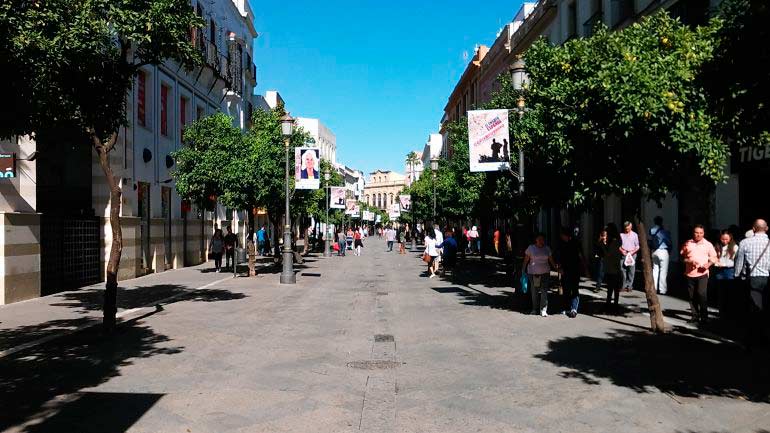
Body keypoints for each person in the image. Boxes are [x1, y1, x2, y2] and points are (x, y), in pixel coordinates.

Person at [734, 219, 770, 351]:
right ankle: (764, 337)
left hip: (753, 279)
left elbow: (739, 263)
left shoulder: (745, 242)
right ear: (766, 229)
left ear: (754, 229)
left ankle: (751, 340)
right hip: (767, 278)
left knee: (754, 310)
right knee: (765, 310)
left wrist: (737, 276)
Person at [680, 224, 717, 324]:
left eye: (701, 233)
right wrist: (689, 261)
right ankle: (695, 315)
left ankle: (704, 317)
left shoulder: (708, 244)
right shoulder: (688, 243)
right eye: (696, 233)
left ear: (704, 233)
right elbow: (682, 257)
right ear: (693, 233)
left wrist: (708, 264)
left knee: (702, 294)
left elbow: (714, 257)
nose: (698, 235)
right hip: (690, 274)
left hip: (702, 273)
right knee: (691, 296)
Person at [522, 233, 557, 317]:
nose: (542, 241)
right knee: (535, 292)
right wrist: (523, 270)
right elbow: (526, 260)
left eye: (543, 239)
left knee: (544, 291)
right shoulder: (531, 248)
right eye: (540, 239)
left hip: (545, 273)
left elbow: (551, 260)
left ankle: (543, 310)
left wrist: (556, 268)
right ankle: (534, 309)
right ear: (536, 240)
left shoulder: (547, 248)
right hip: (534, 274)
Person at [555, 227, 586, 318]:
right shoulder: (561, 243)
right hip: (565, 270)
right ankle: (566, 308)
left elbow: (581, 256)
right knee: (566, 289)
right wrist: (559, 267)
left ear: (566, 235)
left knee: (575, 289)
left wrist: (585, 268)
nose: (561, 236)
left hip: (575, 269)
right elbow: (559, 256)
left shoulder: (576, 243)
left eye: (562, 235)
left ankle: (574, 309)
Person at [713, 229, 739, 319]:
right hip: (719, 271)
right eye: (722, 239)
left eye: (726, 239)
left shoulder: (734, 247)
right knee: (721, 293)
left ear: (730, 238)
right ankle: (721, 312)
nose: (724, 241)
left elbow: (734, 262)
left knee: (730, 292)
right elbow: (713, 257)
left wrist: (723, 264)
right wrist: (715, 262)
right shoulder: (717, 246)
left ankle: (730, 312)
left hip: (729, 271)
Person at [649, 216, 673, 295]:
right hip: (663, 251)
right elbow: (669, 242)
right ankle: (662, 289)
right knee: (663, 271)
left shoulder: (652, 230)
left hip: (654, 251)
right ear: (661, 222)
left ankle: (654, 288)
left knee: (655, 270)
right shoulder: (664, 231)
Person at [603, 224, 623, 312]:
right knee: (613, 287)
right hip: (614, 267)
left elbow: (608, 254)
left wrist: (602, 246)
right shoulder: (616, 241)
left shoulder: (614, 242)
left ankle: (612, 305)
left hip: (613, 267)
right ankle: (613, 304)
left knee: (612, 287)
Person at [619, 221, 640, 292]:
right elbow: (618, 245)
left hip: (632, 254)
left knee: (631, 271)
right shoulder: (621, 235)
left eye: (628, 228)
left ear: (631, 227)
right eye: (626, 228)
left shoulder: (635, 235)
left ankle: (629, 286)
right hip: (624, 254)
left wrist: (632, 252)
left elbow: (637, 246)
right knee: (622, 269)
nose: (627, 229)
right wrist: (621, 250)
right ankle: (623, 285)